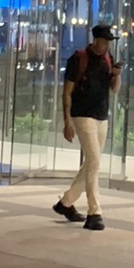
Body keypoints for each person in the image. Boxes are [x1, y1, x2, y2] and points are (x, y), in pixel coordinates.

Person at [53, 23, 120, 230]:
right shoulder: (79, 58)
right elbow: (67, 92)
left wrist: (117, 75)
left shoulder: (108, 60)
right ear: (96, 40)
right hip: (82, 115)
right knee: (94, 161)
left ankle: (65, 203)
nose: (106, 45)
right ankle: (95, 212)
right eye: (104, 41)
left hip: (102, 115)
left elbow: (114, 90)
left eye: (109, 42)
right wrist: (67, 122)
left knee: (93, 163)